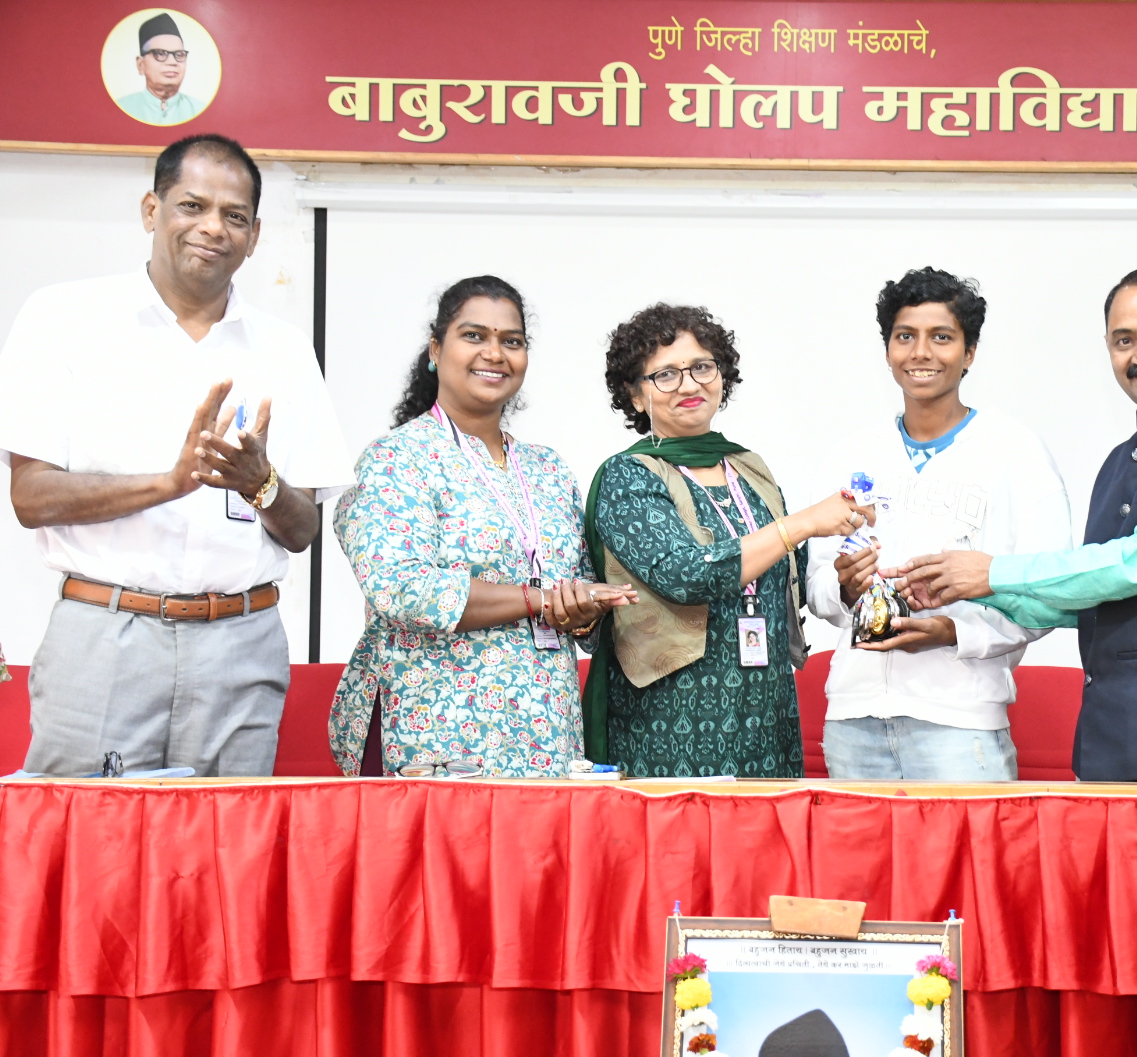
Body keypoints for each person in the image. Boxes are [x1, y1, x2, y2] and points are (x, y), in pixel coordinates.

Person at [0, 134, 353, 776]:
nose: (213, 227)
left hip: (241, 642)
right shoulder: (64, 317)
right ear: (151, 210)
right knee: (92, 832)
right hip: (104, 633)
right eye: (193, 205)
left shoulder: (284, 350)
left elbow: (303, 529)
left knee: (227, 839)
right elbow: (31, 497)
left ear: (253, 236)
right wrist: (169, 483)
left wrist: (262, 484)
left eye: (235, 215)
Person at [897, 266, 1137, 781]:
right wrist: (955, 591)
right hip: (1110, 737)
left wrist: (992, 573)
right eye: (1124, 340)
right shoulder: (1121, 460)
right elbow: (1089, 597)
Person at [328, 277, 634, 777]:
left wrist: (582, 610)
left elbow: (576, 586)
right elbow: (403, 589)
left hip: (546, 735)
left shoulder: (547, 469)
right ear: (435, 350)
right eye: (474, 336)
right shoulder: (394, 460)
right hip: (436, 736)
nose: (494, 353)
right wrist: (539, 599)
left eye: (511, 341)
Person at [584, 303, 872, 778]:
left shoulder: (748, 468)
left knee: (768, 826)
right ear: (634, 396)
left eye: (702, 367)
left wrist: (845, 578)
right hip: (672, 721)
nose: (689, 385)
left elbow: (787, 573)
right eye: (666, 375)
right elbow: (686, 575)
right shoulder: (628, 476)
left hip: (766, 712)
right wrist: (802, 523)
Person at [805, 268, 1071, 780]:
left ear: (969, 353)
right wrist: (842, 587)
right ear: (888, 350)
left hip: (960, 724)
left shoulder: (1016, 452)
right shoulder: (851, 454)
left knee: (965, 842)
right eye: (905, 336)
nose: (921, 353)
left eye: (941, 337)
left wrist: (954, 631)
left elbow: (1048, 590)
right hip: (853, 720)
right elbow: (817, 583)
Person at [116, 13, 203, 126]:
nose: (172, 62)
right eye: (160, 53)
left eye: (179, 54)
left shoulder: (199, 109)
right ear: (141, 64)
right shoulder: (122, 107)